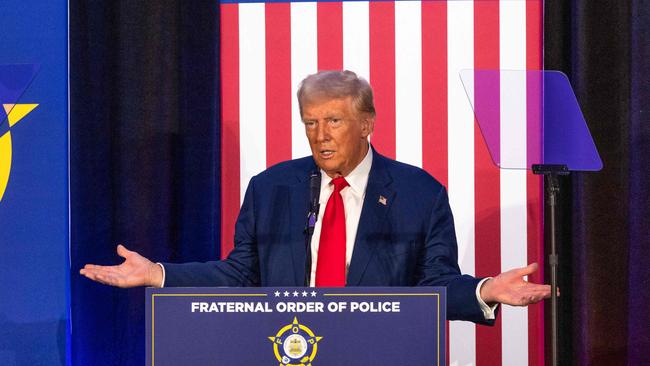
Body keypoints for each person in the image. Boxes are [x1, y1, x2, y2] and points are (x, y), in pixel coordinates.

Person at [80, 70, 550, 324]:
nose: (320, 135)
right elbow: (241, 274)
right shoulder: (271, 188)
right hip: (286, 350)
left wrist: (484, 289)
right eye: (310, 122)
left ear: (366, 124)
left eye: (334, 121)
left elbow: (432, 287)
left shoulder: (418, 193)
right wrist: (158, 274)